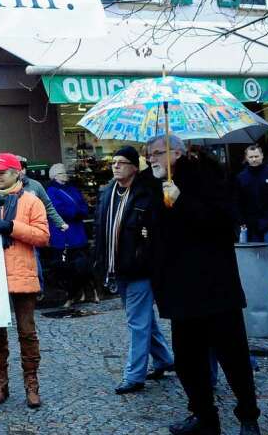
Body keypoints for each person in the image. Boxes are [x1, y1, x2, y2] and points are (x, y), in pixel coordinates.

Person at [146, 135, 261, 435]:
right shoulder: (154, 185)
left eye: (157, 153)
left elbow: (224, 226)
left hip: (215, 288)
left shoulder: (208, 177)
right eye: (149, 154)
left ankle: (248, 416)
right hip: (179, 291)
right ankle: (204, 416)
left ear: (178, 152)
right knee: (188, 362)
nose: (151, 159)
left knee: (233, 357)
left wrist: (182, 201)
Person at [0, 153, 49, 409]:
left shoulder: (31, 201)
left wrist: (13, 227)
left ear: (17, 173)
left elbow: (43, 236)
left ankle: (31, 384)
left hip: (23, 276)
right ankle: (0, 383)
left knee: (27, 333)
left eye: (3, 171)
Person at [93, 147, 174, 395]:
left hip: (139, 268)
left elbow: (155, 233)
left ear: (134, 167)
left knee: (137, 322)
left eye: (121, 162)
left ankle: (134, 375)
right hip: (117, 268)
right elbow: (101, 232)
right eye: (113, 162)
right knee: (143, 320)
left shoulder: (146, 193)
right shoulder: (108, 193)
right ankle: (164, 360)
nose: (116, 166)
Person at [235, 144, 268, 294]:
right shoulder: (241, 177)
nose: (254, 159)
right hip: (252, 222)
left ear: (262, 156)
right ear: (246, 159)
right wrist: (241, 220)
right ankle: (263, 281)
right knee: (256, 254)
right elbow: (238, 201)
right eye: (251, 157)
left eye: (256, 156)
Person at [45, 164, 99, 307]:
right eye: (62, 173)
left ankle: (82, 292)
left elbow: (83, 206)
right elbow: (58, 210)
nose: (65, 175)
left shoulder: (73, 189)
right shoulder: (51, 191)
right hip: (63, 236)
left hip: (77, 234)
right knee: (66, 268)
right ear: (55, 176)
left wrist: (77, 211)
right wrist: (76, 211)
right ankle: (71, 294)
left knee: (81, 265)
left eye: (65, 172)